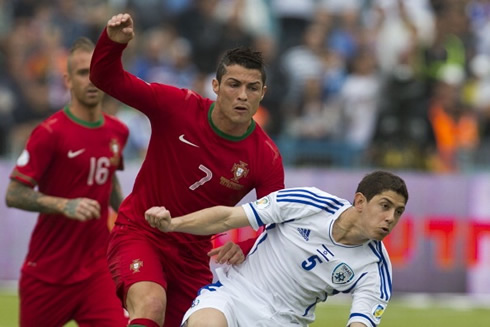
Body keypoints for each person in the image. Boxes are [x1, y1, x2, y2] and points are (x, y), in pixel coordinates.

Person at [89, 13, 285, 327]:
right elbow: (105, 78)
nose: (242, 95)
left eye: (253, 88)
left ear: (262, 94)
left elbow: (276, 224)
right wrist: (113, 44)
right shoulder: (176, 106)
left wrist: (246, 246)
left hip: (193, 258)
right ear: (216, 86)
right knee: (151, 305)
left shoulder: (266, 157)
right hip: (140, 232)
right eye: (234, 85)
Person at [145, 170, 409, 327]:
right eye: (384, 206)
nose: (390, 218)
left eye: (398, 212)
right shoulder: (310, 203)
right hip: (234, 296)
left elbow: (360, 323)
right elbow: (228, 217)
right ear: (360, 201)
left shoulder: (375, 268)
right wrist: (174, 224)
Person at [5, 37, 129, 327]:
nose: (91, 80)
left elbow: (108, 180)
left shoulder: (117, 132)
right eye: (82, 73)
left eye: (96, 72)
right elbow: (14, 193)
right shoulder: (50, 133)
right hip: (48, 274)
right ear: (68, 80)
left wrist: (129, 217)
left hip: (97, 271)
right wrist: (64, 204)